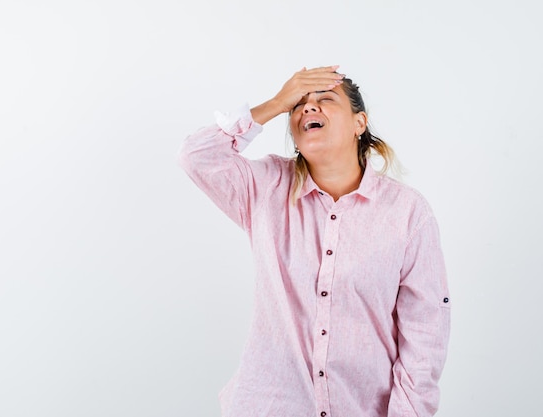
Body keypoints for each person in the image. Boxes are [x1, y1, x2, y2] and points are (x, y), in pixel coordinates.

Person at [178, 65, 450, 417]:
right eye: (298, 104)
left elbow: (425, 337)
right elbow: (195, 156)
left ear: (359, 123)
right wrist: (276, 102)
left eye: (325, 99)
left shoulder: (408, 213)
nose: (308, 108)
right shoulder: (266, 187)